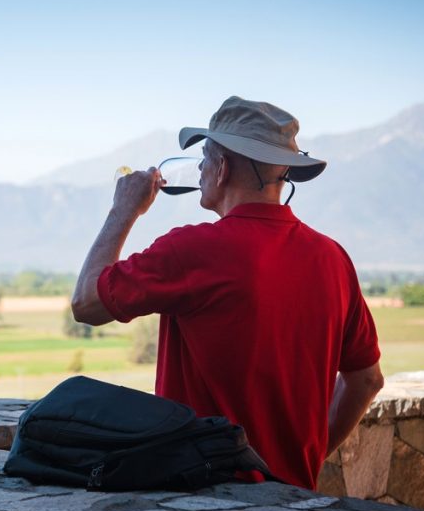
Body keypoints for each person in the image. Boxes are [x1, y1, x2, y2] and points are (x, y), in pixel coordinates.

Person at [70, 96, 384, 490]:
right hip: (295, 502)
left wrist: (123, 209)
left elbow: (86, 303)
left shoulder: (195, 250)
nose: (200, 168)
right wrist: (306, 460)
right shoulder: (333, 258)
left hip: (204, 504)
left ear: (221, 168)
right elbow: (366, 380)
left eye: (204, 157)